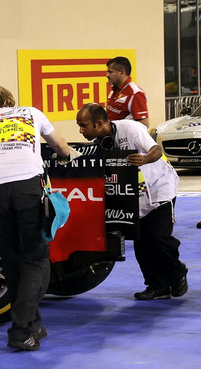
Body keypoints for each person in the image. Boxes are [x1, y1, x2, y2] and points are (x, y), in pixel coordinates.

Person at [0, 85, 76, 352]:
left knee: (13, 261)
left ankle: (33, 325)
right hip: (27, 186)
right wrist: (70, 155)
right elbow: (60, 146)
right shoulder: (31, 113)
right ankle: (20, 331)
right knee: (35, 259)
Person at [76, 103, 188, 301]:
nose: (81, 130)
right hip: (134, 195)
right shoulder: (98, 145)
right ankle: (157, 286)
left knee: (158, 236)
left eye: (84, 125)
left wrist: (144, 160)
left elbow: (156, 150)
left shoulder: (131, 129)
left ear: (99, 123)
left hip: (159, 187)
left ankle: (178, 272)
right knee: (141, 242)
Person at [105, 56, 149, 127]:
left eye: (110, 72)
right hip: (110, 136)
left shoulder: (135, 93)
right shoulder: (114, 90)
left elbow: (144, 125)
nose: (107, 75)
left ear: (121, 72)